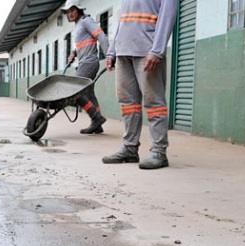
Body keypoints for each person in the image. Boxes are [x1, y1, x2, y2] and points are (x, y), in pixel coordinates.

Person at [102, 0, 177, 169]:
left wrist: (157, 50)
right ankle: (129, 148)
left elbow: (168, 15)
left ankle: (159, 151)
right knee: (128, 105)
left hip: (146, 50)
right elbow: (122, 20)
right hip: (123, 52)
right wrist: (112, 50)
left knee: (154, 103)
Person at [62, 0, 110, 135]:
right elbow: (83, 44)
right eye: (68, 11)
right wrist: (73, 52)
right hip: (84, 62)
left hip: (89, 63)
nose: (70, 13)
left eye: (72, 10)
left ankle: (96, 118)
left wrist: (109, 56)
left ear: (79, 10)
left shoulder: (86, 21)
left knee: (75, 92)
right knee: (89, 94)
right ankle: (97, 125)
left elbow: (102, 36)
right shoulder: (78, 25)